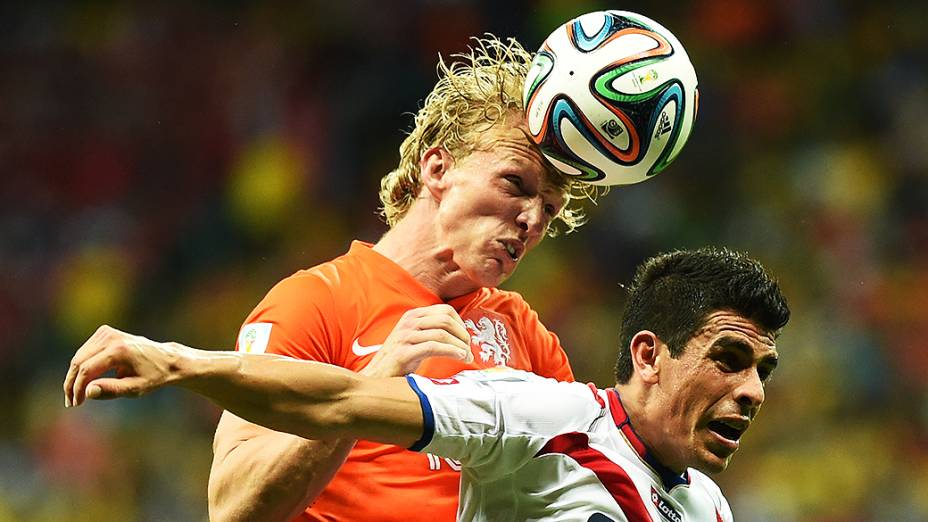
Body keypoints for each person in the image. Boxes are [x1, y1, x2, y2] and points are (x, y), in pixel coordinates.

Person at [64, 247, 790, 521]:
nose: (752, 390)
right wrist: (181, 363)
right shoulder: (544, 415)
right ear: (647, 354)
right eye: (729, 358)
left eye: (762, 370)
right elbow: (340, 399)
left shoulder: (710, 510)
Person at [206, 35, 592, 521]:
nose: (532, 220)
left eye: (549, 211)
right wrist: (370, 388)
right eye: (515, 184)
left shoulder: (526, 336)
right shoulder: (317, 303)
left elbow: (582, 488)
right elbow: (233, 508)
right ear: (438, 167)